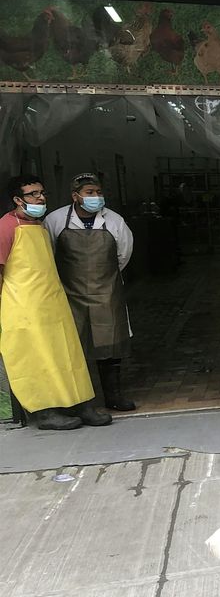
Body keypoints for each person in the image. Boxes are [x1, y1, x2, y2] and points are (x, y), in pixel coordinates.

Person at [0, 175, 108, 430]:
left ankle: (79, 403)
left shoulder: (39, 226)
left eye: (42, 193)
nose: (40, 198)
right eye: (33, 194)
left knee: (67, 354)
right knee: (37, 358)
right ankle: (45, 411)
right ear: (17, 199)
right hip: (24, 308)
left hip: (53, 302)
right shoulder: (5, 228)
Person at [45, 173, 136, 411]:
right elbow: (49, 255)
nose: (96, 197)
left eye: (98, 192)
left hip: (107, 293)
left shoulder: (114, 221)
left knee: (110, 345)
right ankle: (81, 401)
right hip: (69, 294)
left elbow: (123, 255)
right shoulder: (55, 220)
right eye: (89, 193)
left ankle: (113, 397)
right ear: (75, 196)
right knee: (74, 346)